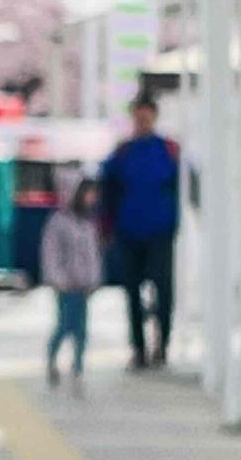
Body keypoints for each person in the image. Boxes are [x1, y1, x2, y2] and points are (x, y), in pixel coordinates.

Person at [100, 94, 180, 371]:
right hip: (129, 232)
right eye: (138, 117)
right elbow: (107, 192)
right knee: (132, 293)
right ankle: (139, 347)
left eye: (146, 117)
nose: (142, 122)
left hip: (160, 232)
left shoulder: (169, 151)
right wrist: (106, 229)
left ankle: (162, 345)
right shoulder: (122, 154)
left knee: (164, 291)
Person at [41, 179, 101, 390]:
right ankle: (52, 360)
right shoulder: (59, 221)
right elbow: (51, 254)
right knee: (65, 325)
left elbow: (93, 254)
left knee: (82, 330)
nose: (92, 198)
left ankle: (77, 368)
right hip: (66, 284)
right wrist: (58, 279)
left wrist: (94, 279)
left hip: (83, 284)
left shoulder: (87, 222)